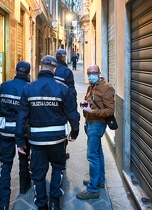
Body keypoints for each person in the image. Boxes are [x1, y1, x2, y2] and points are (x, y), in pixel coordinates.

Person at [16, 55, 80, 210]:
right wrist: (74, 132)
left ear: (39, 68)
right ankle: (54, 201)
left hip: (37, 141)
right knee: (58, 168)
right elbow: (73, 113)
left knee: (38, 174)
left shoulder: (28, 88)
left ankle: (42, 204)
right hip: (58, 140)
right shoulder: (63, 89)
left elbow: (21, 117)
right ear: (55, 69)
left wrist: (20, 140)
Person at [0, 61, 32, 210]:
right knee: (24, 159)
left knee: (5, 165)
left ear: (16, 71)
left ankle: (2, 203)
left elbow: (2, 107)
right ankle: (24, 185)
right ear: (28, 73)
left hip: (5, 130)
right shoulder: (28, 88)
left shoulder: (4, 85)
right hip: (22, 131)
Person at [76, 65, 115, 200]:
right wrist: (85, 104)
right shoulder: (92, 86)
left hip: (97, 124)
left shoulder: (106, 88)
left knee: (92, 155)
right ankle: (99, 181)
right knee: (98, 153)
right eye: (89, 73)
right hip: (90, 122)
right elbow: (91, 101)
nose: (91, 74)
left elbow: (110, 110)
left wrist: (93, 112)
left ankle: (92, 189)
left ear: (99, 73)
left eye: (94, 72)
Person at [54, 49, 77, 160]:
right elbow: (71, 92)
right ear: (63, 57)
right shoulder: (66, 71)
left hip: (48, 105)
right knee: (62, 129)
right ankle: (61, 154)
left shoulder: (52, 69)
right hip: (62, 105)